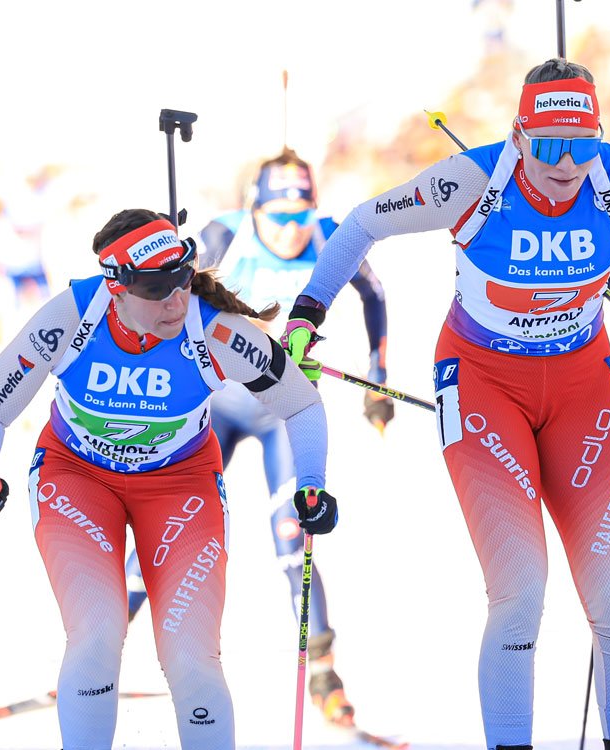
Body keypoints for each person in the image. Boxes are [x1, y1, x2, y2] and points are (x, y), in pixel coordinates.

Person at [286, 60, 610, 750]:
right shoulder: (471, 180)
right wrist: (306, 315)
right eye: (548, 146)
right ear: (518, 134)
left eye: (582, 143)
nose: (567, 163)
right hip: (482, 384)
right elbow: (362, 225)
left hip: (582, 387)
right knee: (520, 594)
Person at [0, 208, 337, 749]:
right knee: (96, 635)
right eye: (157, 289)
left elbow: (301, 405)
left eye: (181, 281)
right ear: (116, 288)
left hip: (181, 485)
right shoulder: (71, 316)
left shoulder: (216, 332)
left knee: (191, 656)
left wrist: (312, 482)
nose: (176, 302)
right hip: (77, 478)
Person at [115, 148, 389, 727]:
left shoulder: (330, 234)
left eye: (301, 215)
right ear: (252, 208)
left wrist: (378, 377)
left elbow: (375, 294)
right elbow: (165, 296)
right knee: (170, 524)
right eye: (278, 218)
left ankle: (322, 672)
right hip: (215, 406)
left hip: (281, 411)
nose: (292, 230)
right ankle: (103, 650)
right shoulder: (222, 234)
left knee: (295, 535)